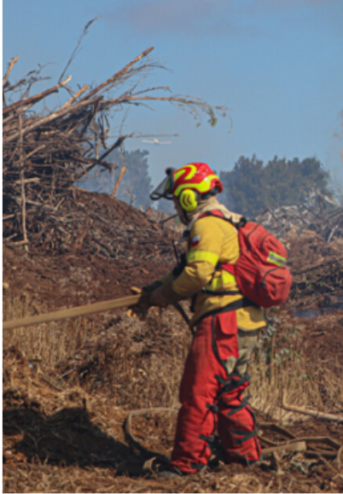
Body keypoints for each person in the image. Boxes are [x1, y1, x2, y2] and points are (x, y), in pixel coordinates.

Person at [132, 162, 265, 476]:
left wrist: (162, 297)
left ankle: (187, 464)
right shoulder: (231, 221)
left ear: (190, 198)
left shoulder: (206, 225)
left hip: (222, 320)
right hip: (246, 322)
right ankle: (244, 459)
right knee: (230, 392)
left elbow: (197, 274)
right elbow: (186, 270)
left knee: (198, 391)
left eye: (178, 199)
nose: (177, 207)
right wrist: (154, 289)